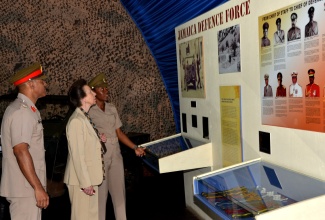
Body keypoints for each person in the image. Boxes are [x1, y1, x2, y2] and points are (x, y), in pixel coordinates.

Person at [88, 73, 146, 220]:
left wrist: (135, 147)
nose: (106, 91)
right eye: (102, 89)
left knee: (120, 194)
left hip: (115, 155)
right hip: (100, 157)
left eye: (106, 88)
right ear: (93, 91)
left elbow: (119, 133)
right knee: (100, 196)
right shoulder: (88, 111)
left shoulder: (111, 108)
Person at [0, 62, 49, 220]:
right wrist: (37, 187)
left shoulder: (28, 109)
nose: (46, 84)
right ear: (31, 84)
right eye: (42, 81)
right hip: (25, 188)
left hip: (26, 187)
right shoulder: (22, 112)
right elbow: (20, 150)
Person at [64, 79, 107, 220]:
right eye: (90, 92)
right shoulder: (77, 120)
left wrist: (98, 139)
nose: (94, 93)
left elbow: (85, 144)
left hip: (89, 177)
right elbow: (77, 155)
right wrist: (85, 183)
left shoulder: (84, 117)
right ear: (82, 98)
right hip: (81, 181)